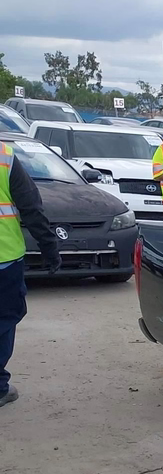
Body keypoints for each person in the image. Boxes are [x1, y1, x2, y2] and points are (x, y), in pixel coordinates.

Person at [0, 141, 61, 407]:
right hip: (4, 257)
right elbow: (31, 207)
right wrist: (49, 248)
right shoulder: (4, 156)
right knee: (3, 319)